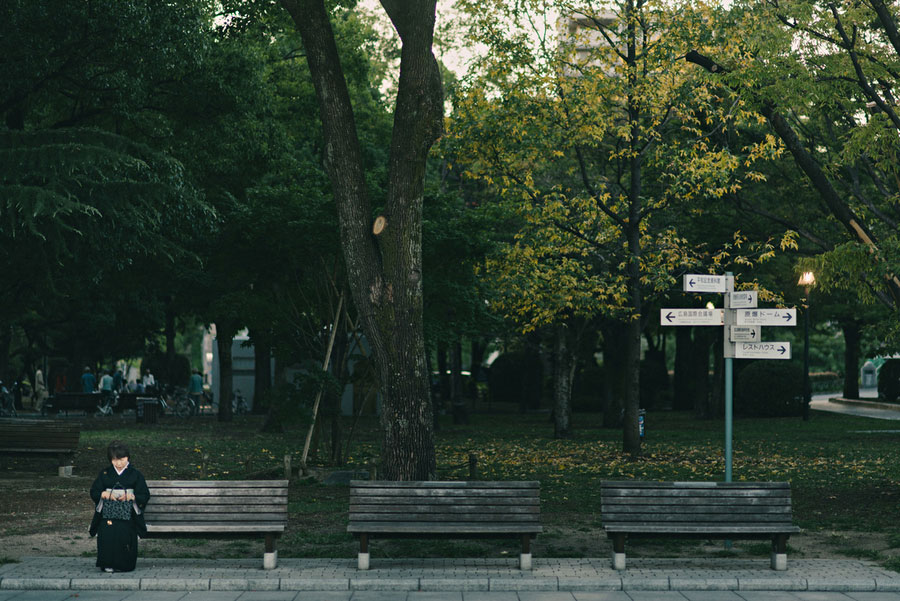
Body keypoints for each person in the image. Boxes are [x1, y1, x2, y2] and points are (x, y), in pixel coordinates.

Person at [89, 440, 150, 573]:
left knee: (124, 531)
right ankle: (107, 563)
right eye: (115, 460)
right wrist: (103, 493)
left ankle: (124, 564)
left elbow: (144, 494)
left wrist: (132, 497)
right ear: (110, 460)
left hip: (128, 512)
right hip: (108, 511)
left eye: (122, 459)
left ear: (127, 457)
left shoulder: (135, 474)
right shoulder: (105, 473)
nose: (119, 463)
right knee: (106, 530)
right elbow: (94, 491)